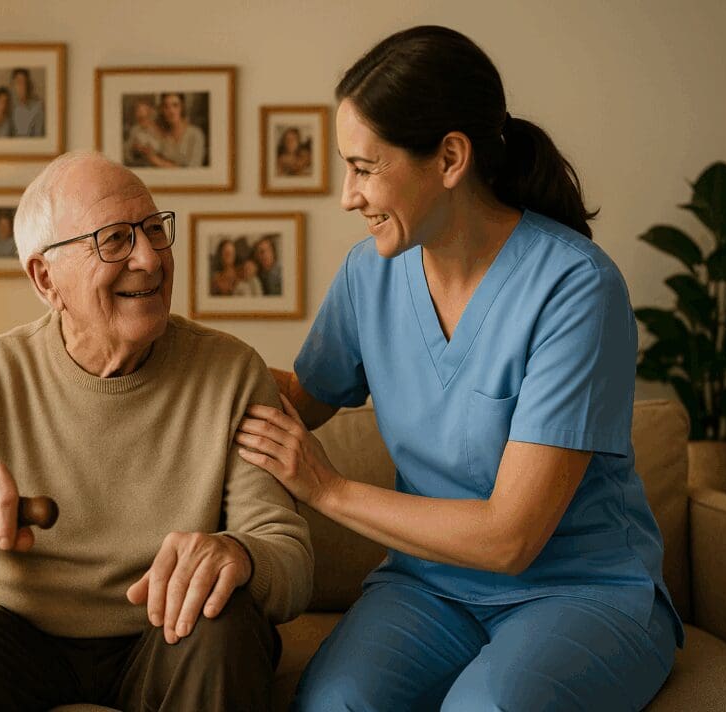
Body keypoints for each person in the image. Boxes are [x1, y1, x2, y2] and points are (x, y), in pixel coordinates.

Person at [235, 25, 683, 712]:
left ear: (449, 158)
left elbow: (511, 538)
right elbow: (298, 399)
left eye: (363, 167)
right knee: (334, 705)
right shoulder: (369, 275)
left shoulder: (575, 288)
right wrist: (168, 342)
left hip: (579, 590)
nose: (347, 196)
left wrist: (326, 489)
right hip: (428, 589)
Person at [0, 151, 313, 711]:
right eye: (115, 240)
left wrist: (239, 553)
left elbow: (290, 562)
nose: (149, 258)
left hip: (168, 635)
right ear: (46, 278)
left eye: (153, 230)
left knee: (227, 623)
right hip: (24, 643)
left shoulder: (230, 372)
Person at [135, 92, 206, 168]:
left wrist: (154, 159)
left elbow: (193, 172)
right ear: (162, 110)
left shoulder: (195, 134)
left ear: (182, 107)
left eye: (175, 105)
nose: (171, 111)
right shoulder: (163, 137)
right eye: (166, 106)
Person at [125, 97, 162, 167]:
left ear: (151, 113)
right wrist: (134, 148)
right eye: (138, 111)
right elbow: (127, 152)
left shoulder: (157, 129)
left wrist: (150, 151)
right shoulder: (135, 129)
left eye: (144, 111)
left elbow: (162, 150)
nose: (140, 114)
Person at [10, 67, 45, 138]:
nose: (21, 86)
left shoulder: (38, 107)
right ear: (13, 85)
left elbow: (38, 136)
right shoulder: (11, 108)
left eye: (24, 82)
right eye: (18, 82)